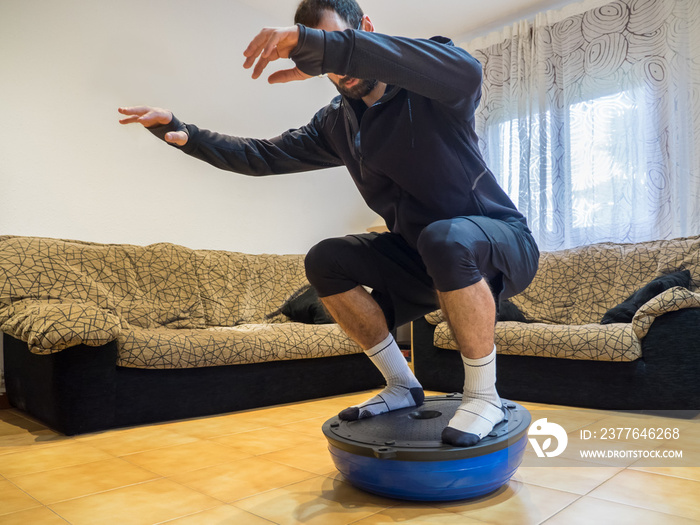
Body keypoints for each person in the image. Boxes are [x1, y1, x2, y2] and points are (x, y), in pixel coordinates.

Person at [118, 0, 539, 447]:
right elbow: (263, 156)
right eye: (328, 63)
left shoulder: (430, 82)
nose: (339, 71)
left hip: (499, 240)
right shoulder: (336, 122)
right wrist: (187, 134)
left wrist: (329, 47)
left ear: (365, 30)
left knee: (445, 237)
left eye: (338, 47)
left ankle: (484, 395)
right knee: (326, 259)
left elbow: (468, 72)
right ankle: (402, 385)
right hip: (423, 258)